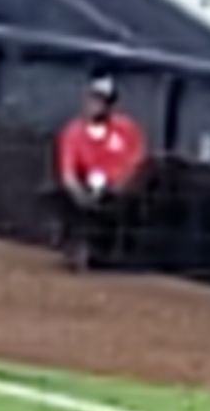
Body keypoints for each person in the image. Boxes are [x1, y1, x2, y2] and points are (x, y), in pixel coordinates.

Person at [52, 74, 150, 271]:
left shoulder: (126, 130)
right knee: (66, 200)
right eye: (92, 99)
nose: (94, 105)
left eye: (101, 101)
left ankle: (112, 253)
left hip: (117, 189)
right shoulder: (73, 132)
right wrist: (80, 195)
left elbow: (137, 161)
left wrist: (116, 187)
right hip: (84, 186)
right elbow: (68, 173)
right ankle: (76, 247)